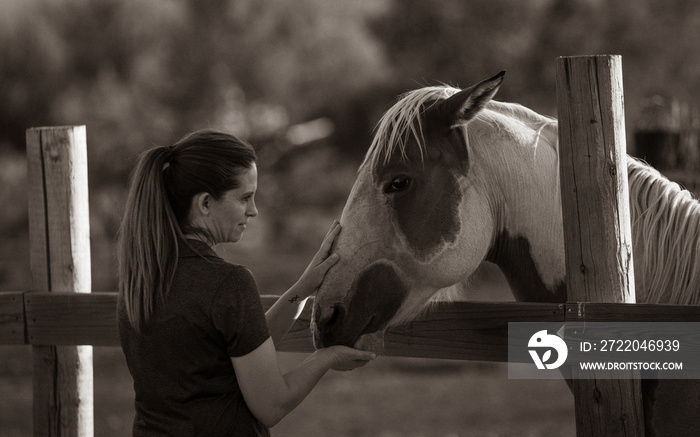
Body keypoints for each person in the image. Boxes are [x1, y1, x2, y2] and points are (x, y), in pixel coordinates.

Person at [117, 129, 375, 436]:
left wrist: (302, 290)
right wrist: (327, 356)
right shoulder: (227, 283)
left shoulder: (142, 279)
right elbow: (272, 405)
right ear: (205, 204)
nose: (253, 211)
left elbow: (236, 350)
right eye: (245, 198)